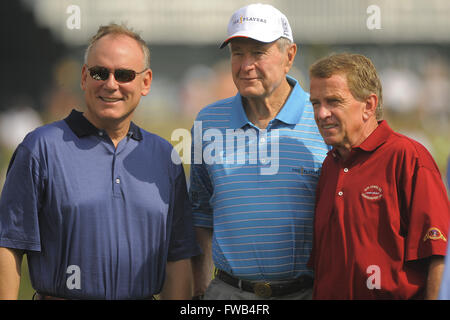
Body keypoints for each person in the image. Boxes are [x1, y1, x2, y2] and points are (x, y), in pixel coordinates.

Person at [0, 23, 200, 300]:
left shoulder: (164, 157)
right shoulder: (40, 148)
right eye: (99, 72)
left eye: (124, 74)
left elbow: (178, 256)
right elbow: (9, 245)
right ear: (84, 77)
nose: (110, 84)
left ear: (145, 82)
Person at [190, 3, 329, 300]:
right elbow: (201, 213)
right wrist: (202, 287)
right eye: (237, 53)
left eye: (258, 53)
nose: (245, 65)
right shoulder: (207, 122)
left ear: (289, 56)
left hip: (307, 292)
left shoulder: (323, 118)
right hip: (228, 293)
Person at [308, 53, 450, 299]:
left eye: (333, 101)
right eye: (315, 103)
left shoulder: (408, 158)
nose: (321, 114)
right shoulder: (329, 166)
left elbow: (439, 256)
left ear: (369, 105)